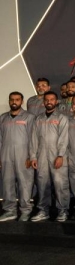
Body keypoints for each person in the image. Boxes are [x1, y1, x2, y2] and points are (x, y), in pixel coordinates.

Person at [29, 91, 70, 222]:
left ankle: (62, 210)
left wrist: (60, 155)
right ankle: (43, 210)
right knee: (42, 183)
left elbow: (64, 138)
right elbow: (33, 139)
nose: (49, 102)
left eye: (52, 99)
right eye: (46, 100)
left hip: (57, 155)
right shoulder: (39, 118)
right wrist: (33, 156)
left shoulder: (61, 118)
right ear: (43, 102)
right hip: (41, 156)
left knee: (60, 183)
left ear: (56, 101)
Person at [0, 92, 35, 222]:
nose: (14, 102)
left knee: (25, 183)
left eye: (17, 99)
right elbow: (0, 139)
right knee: (7, 183)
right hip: (6, 154)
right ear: (9, 101)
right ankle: (10, 211)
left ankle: (25, 210)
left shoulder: (29, 117)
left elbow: (33, 138)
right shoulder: (3, 118)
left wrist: (31, 157)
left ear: (22, 101)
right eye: (12, 100)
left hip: (23, 155)